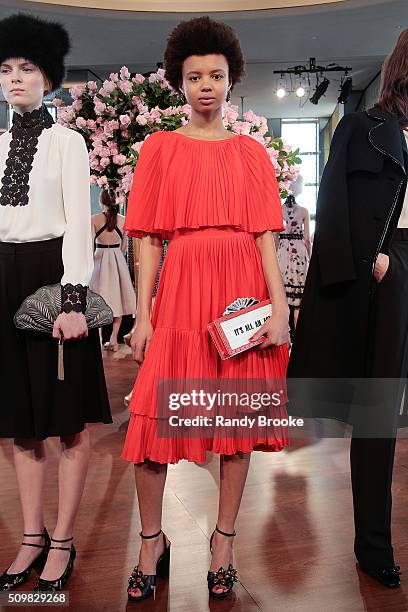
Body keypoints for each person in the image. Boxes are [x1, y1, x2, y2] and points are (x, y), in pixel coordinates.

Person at [122, 16, 290, 602]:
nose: (206, 86)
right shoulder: (159, 149)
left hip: (242, 292)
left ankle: (224, 541)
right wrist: (141, 317)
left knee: (237, 424)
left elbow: (268, 233)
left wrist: (279, 307)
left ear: (230, 81)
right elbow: (147, 238)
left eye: (216, 75)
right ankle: (151, 540)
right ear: (179, 83)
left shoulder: (250, 153)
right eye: (195, 76)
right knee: (154, 424)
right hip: (183, 293)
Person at [288, 28, 408, 589]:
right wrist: (371, 267)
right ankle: (374, 545)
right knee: (378, 419)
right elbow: (333, 209)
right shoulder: (366, 129)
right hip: (390, 275)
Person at [0, 14, 112, 592]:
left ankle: (63, 540)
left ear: (48, 77)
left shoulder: (68, 142)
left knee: (68, 420)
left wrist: (72, 299)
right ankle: (30, 536)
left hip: (54, 277)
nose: (14, 79)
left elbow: (77, 227)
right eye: (5, 69)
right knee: (19, 425)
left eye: (26, 69)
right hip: (3, 277)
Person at [91, 188, 136, 351]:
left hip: (99, 259)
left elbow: (89, 243)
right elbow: (124, 246)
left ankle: (100, 339)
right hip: (117, 259)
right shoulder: (123, 220)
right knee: (118, 299)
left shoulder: (94, 219)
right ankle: (114, 340)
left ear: (101, 201)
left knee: (98, 300)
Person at [277, 193, 311, 332]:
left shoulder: (279, 210)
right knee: (298, 303)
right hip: (299, 253)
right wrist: (309, 254)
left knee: (282, 298)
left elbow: (274, 238)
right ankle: (298, 338)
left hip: (283, 252)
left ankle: (285, 341)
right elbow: (307, 238)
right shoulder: (304, 211)